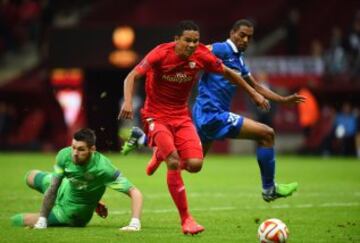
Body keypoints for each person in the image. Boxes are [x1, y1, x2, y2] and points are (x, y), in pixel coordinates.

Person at [121, 19, 305, 204]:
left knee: (192, 164)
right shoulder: (220, 49)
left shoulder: (238, 60)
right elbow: (196, 52)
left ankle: (145, 141)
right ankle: (269, 189)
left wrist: (282, 100)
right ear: (232, 33)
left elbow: (256, 85)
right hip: (212, 113)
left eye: (249, 37)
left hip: (208, 115)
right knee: (266, 134)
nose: (245, 40)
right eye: (242, 35)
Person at [118, 20, 270, 235]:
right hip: (156, 115)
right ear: (176, 40)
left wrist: (254, 93)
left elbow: (230, 73)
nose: (191, 45)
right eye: (187, 40)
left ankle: (158, 153)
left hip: (181, 116)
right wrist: (127, 102)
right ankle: (186, 219)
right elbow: (132, 75)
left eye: (195, 41)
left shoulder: (201, 55)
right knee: (173, 160)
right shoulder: (161, 53)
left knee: (196, 164)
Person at [11, 128, 143, 231]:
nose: (74, 153)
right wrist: (42, 218)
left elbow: (134, 191)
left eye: (81, 149)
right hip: (64, 186)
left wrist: (134, 223)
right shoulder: (64, 155)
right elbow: (53, 188)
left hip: (71, 212)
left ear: (92, 150)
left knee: (17, 220)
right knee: (29, 175)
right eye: (73, 147)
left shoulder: (103, 169)